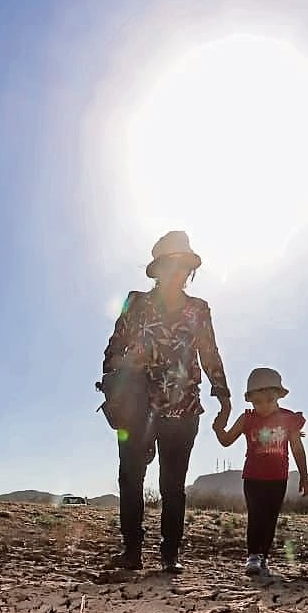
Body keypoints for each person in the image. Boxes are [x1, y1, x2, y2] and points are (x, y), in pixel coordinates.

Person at [100, 231, 231, 572]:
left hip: (183, 409)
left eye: (184, 265)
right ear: (157, 268)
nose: (177, 271)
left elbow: (210, 355)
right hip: (137, 408)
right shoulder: (136, 303)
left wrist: (223, 395)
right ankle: (131, 551)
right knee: (130, 478)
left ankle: (170, 556)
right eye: (171, 264)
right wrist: (119, 376)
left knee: (172, 485)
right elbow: (112, 349)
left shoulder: (199, 310)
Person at [213, 366, 308, 576]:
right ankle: (253, 556)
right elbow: (226, 441)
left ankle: (264, 556)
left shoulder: (287, 419)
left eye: (268, 400)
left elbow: (297, 448)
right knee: (256, 516)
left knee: (270, 518)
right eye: (258, 402)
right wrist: (219, 427)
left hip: (278, 478)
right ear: (251, 401)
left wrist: (304, 476)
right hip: (253, 478)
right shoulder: (247, 419)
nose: (263, 406)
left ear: (277, 396)